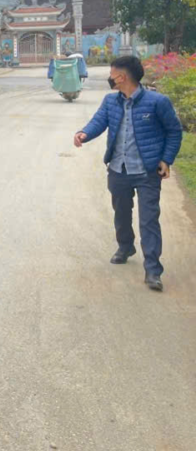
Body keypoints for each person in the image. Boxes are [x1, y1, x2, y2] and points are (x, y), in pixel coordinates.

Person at [73, 55, 183, 292]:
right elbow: (98, 121)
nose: (109, 78)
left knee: (149, 220)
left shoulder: (157, 102)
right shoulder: (110, 101)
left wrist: (166, 159)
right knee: (121, 213)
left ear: (122, 77)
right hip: (118, 169)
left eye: (112, 74)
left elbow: (174, 131)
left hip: (147, 171)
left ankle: (153, 270)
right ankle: (125, 246)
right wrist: (84, 133)